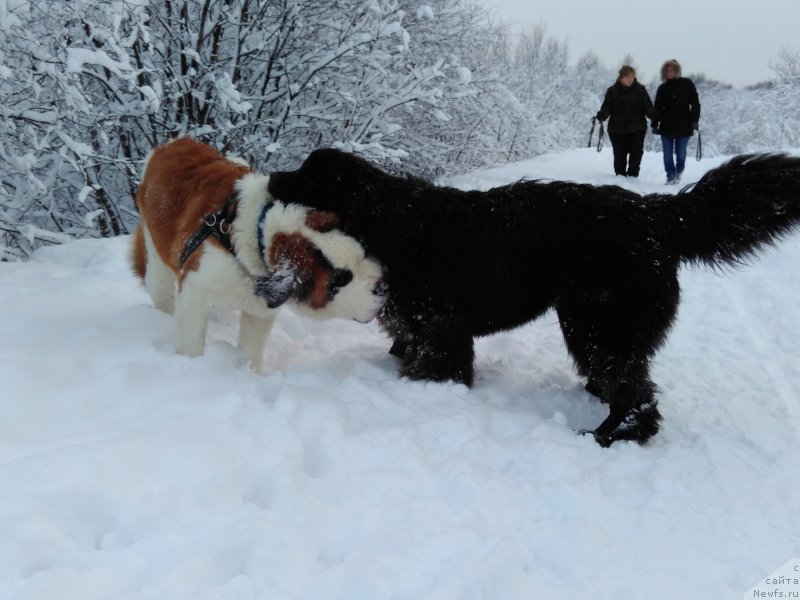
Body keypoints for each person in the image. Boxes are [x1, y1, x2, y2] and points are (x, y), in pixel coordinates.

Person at [596, 65, 654, 177]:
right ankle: (620, 176)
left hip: (637, 128)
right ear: (621, 78)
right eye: (627, 76)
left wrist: (656, 117)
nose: (630, 79)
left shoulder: (640, 90)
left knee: (636, 152)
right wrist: (602, 115)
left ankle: (633, 176)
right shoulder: (612, 91)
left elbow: (648, 107)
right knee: (619, 154)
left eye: (632, 76)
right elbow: (607, 107)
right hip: (617, 129)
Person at [651, 59, 701, 184]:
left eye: (672, 70)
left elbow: (695, 103)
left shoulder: (687, 84)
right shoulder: (662, 88)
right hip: (666, 126)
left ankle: (678, 174)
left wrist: (694, 120)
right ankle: (670, 176)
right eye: (667, 70)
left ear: (677, 71)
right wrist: (654, 124)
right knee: (667, 156)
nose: (669, 72)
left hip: (683, 126)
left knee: (681, 156)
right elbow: (657, 108)